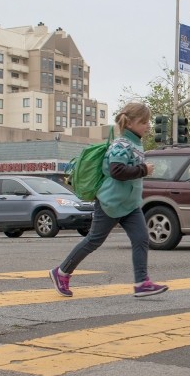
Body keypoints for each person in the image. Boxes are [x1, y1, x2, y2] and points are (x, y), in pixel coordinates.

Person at [49, 102, 167, 298]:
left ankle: (142, 283)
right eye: (144, 122)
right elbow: (117, 171)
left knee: (141, 239)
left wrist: (141, 171)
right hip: (110, 203)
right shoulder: (121, 144)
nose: (148, 126)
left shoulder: (136, 142)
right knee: (93, 241)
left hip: (130, 204)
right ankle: (61, 272)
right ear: (129, 123)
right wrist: (143, 170)